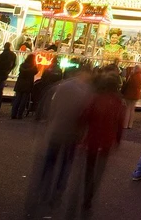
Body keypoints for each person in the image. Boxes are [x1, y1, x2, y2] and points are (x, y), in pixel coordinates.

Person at [28, 67, 94, 212]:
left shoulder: (62, 86)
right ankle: (58, 190)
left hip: (56, 130)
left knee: (50, 160)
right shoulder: (87, 92)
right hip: (72, 134)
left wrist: (50, 122)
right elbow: (85, 115)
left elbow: (49, 107)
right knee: (65, 163)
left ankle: (43, 187)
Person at [71, 72, 124, 217]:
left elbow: (84, 117)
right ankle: (90, 195)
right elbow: (120, 124)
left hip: (93, 139)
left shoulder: (96, 99)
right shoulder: (119, 103)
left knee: (89, 168)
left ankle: (84, 194)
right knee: (99, 171)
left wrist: (79, 130)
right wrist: (118, 140)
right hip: (106, 141)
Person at [11, 53, 38, 119]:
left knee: (17, 99)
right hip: (27, 85)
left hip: (20, 84)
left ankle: (13, 114)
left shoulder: (22, 65)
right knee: (24, 100)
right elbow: (36, 72)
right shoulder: (33, 67)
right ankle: (20, 114)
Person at [122, 64, 141, 129]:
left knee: (128, 109)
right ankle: (130, 124)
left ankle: (125, 124)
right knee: (132, 109)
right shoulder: (140, 76)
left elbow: (128, 84)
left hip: (129, 93)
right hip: (136, 94)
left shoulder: (132, 76)